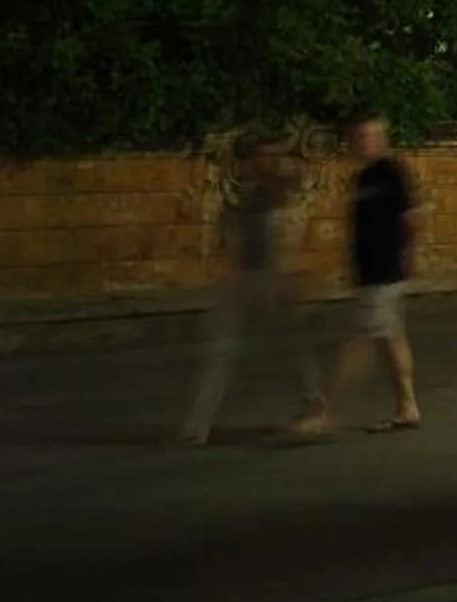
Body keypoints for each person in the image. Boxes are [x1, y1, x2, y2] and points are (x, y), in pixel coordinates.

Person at [178, 137, 323, 445]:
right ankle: (197, 425)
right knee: (222, 351)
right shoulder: (243, 197)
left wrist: (292, 277)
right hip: (244, 279)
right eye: (261, 156)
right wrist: (226, 270)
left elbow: (298, 239)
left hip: (274, 278)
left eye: (273, 156)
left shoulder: (288, 195)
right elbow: (229, 237)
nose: (266, 162)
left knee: (290, 348)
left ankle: (314, 400)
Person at [298, 116, 423, 436]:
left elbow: (411, 219)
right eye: (360, 137)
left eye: (370, 136)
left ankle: (330, 415)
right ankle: (407, 406)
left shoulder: (392, 173)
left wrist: (409, 259)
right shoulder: (363, 177)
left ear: (382, 139)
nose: (364, 142)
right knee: (392, 340)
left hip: (385, 272)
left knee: (358, 343)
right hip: (369, 273)